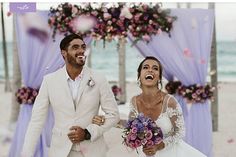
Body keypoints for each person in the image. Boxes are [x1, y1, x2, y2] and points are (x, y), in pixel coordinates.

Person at [21, 33, 120, 157]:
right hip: (60, 151)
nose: (81, 51)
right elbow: (37, 121)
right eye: (75, 47)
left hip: (93, 151)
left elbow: (114, 115)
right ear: (64, 53)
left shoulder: (99, 78)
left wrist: (88, 132)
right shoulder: (49, 81)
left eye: (83, 47)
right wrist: (26, 153)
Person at [95, 56, 207, 157]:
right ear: (139, 75)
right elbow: (131, 125)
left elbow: (180, 132)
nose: (150, 70)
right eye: (146, 67)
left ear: (159, 77)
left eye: (155, 68)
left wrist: (159, 146)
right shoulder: (135, 101)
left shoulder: (169, 101)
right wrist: (107, 120)